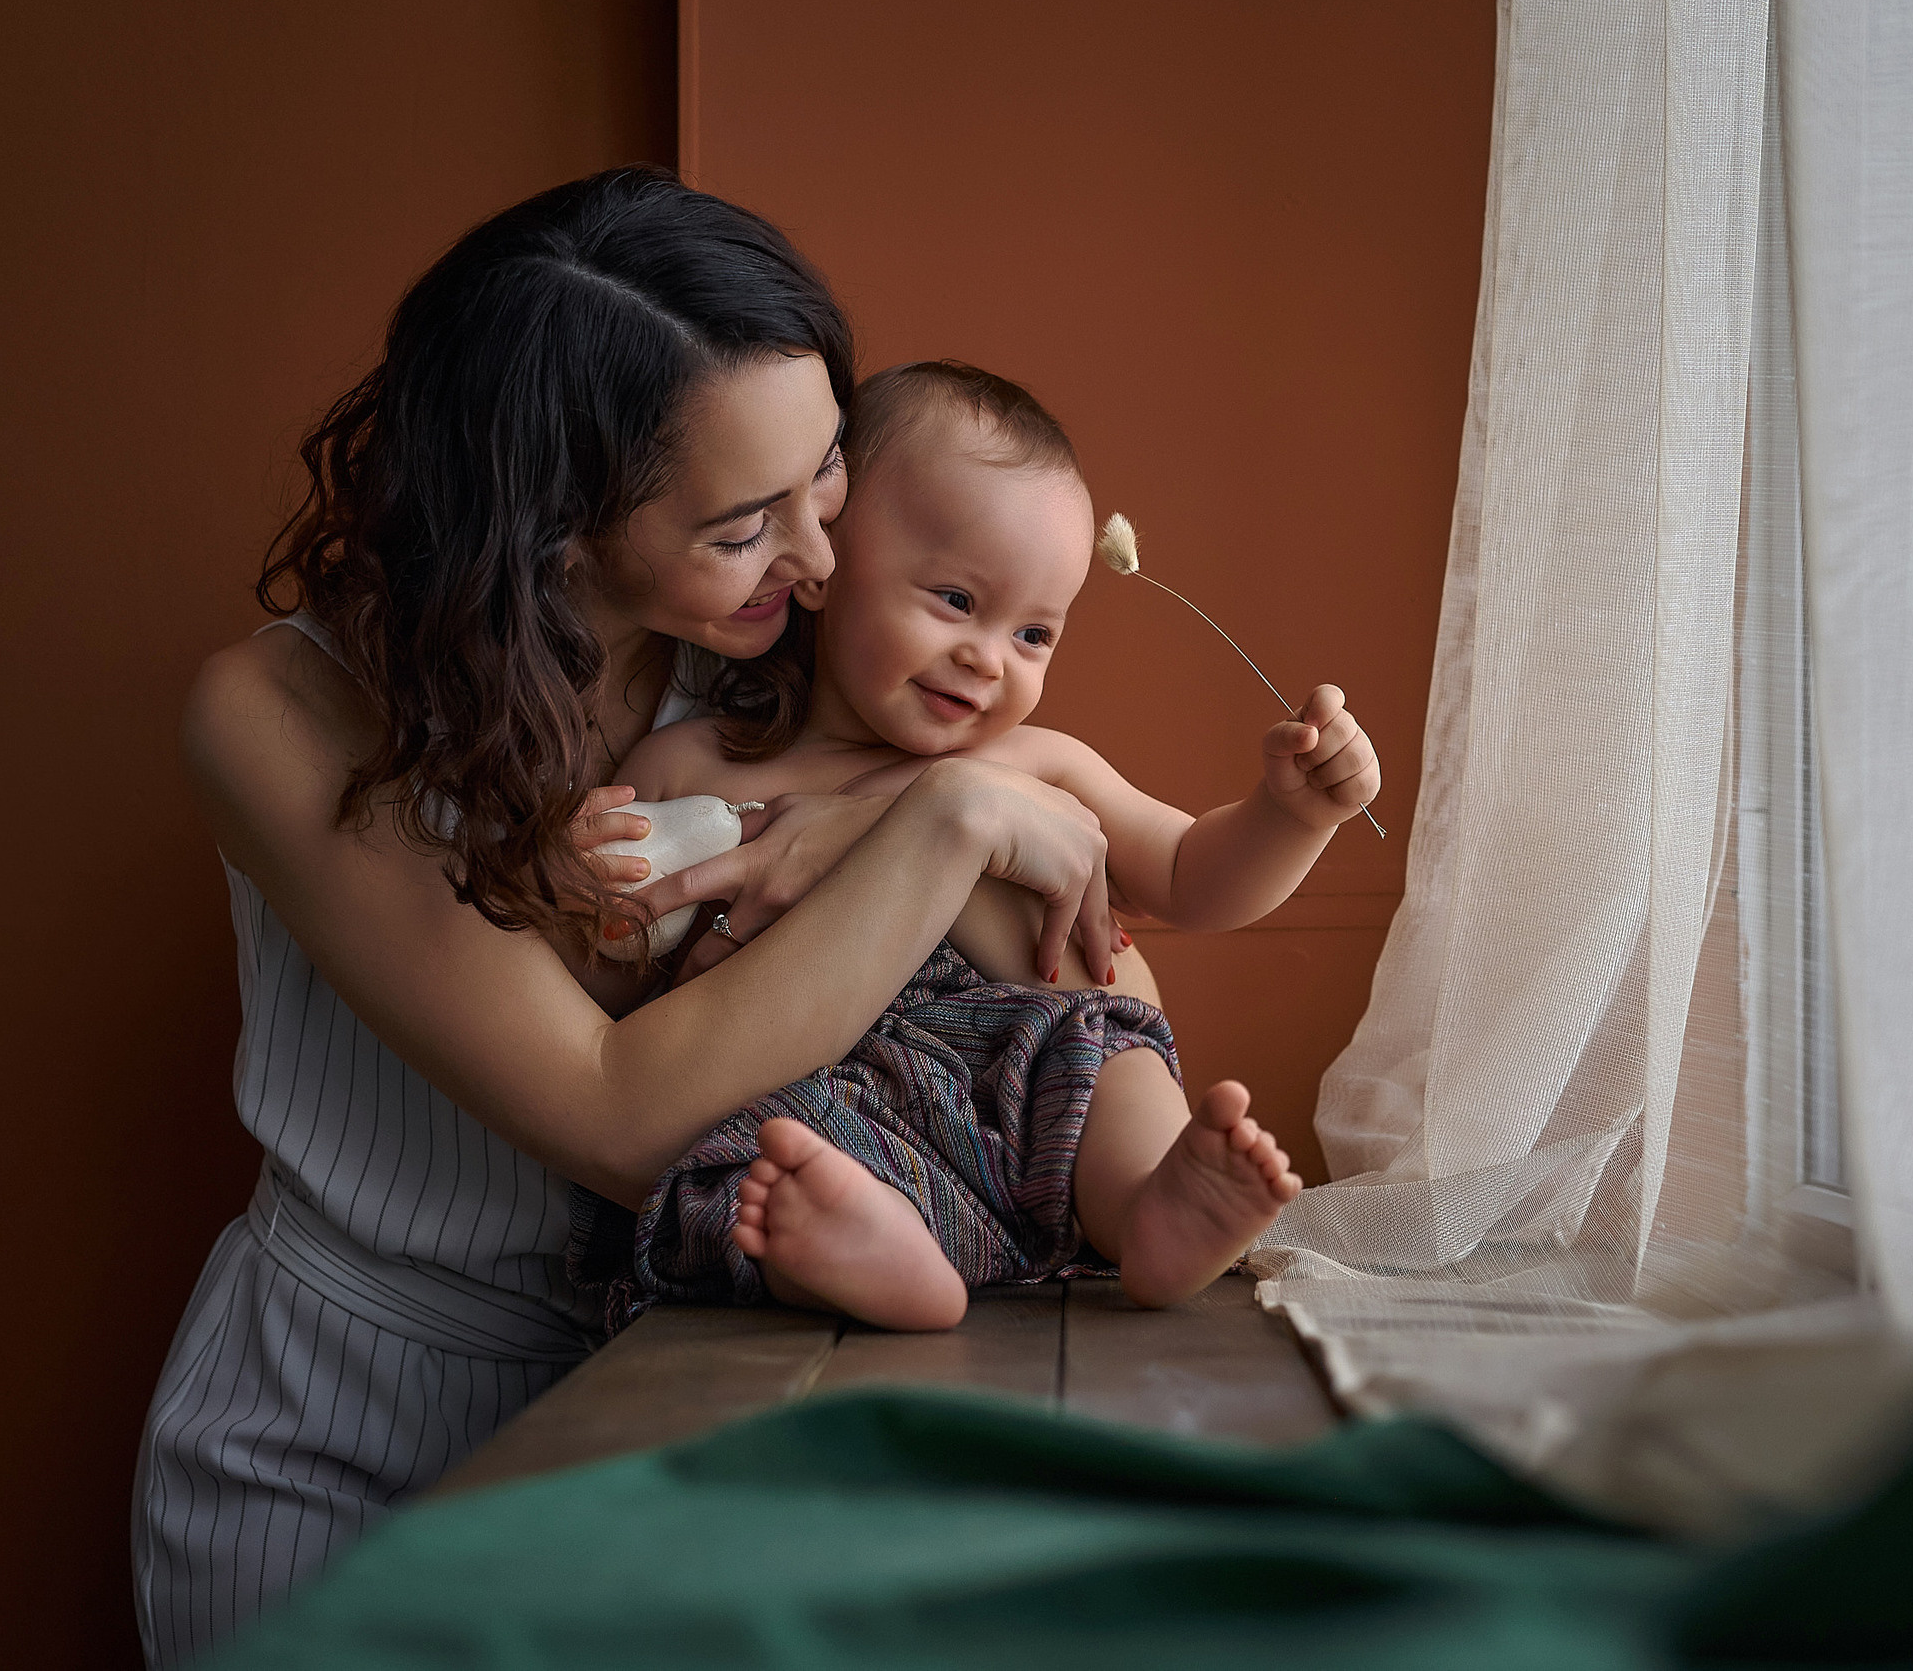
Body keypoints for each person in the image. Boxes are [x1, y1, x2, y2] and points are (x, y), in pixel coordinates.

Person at [133, 169, 1135, 1667]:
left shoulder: (760, 665)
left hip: (670, 1378)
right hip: (336, 1437)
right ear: (551, 523)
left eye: (828, 482)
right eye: (744, 525)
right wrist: (946, 816)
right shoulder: (281, 717)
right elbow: (614, 1115)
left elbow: (1067, 944)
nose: (813, 561)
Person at [607, 360, 1379, 1328]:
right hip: (833, 1096)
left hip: (1029, 1085)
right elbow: (614, 911)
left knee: (1104, 1049)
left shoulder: (1042, 765)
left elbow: (1189, 877)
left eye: (1035, 634)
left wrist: (1292, 814)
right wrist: (591, 862)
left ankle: (1151, 1206)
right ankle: (874, 1251)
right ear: (823, 564)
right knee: (757, 1172)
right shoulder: (701, 760)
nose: (987, 659)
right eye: (956, 601)